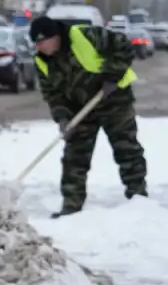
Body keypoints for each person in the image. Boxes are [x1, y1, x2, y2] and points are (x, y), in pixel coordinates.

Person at [28, 15, 148, 218]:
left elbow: (124, 46)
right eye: (36, 43)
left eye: (41, 42)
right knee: (74, 157)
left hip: (113, 100)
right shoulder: (42, 61)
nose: (39, 47)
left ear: (54, 37)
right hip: (80, 108)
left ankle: (138, 196)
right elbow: (52, 94)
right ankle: (71, 204)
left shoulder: (85, 36)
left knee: (126, 149)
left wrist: (112, 75)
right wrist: (63, 118)